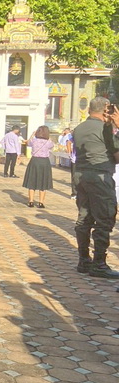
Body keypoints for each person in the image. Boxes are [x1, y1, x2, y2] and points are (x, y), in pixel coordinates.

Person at [72, 97, 119, 278]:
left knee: (84, 217)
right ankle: (99, 263)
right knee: (105, 219)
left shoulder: (79, 128)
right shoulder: (104, 129)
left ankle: (84, 260)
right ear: (106, 109)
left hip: (81, 175)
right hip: (100, 176)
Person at [22, 126, 54, 208]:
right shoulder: (48, 142)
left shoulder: (34, 140)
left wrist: (32, 135)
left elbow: (28, 143)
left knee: (32, 181)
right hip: (44, 162)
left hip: (34, 161)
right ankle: (41, 202)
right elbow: (52, 145)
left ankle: (31, 201)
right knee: (43, 182)